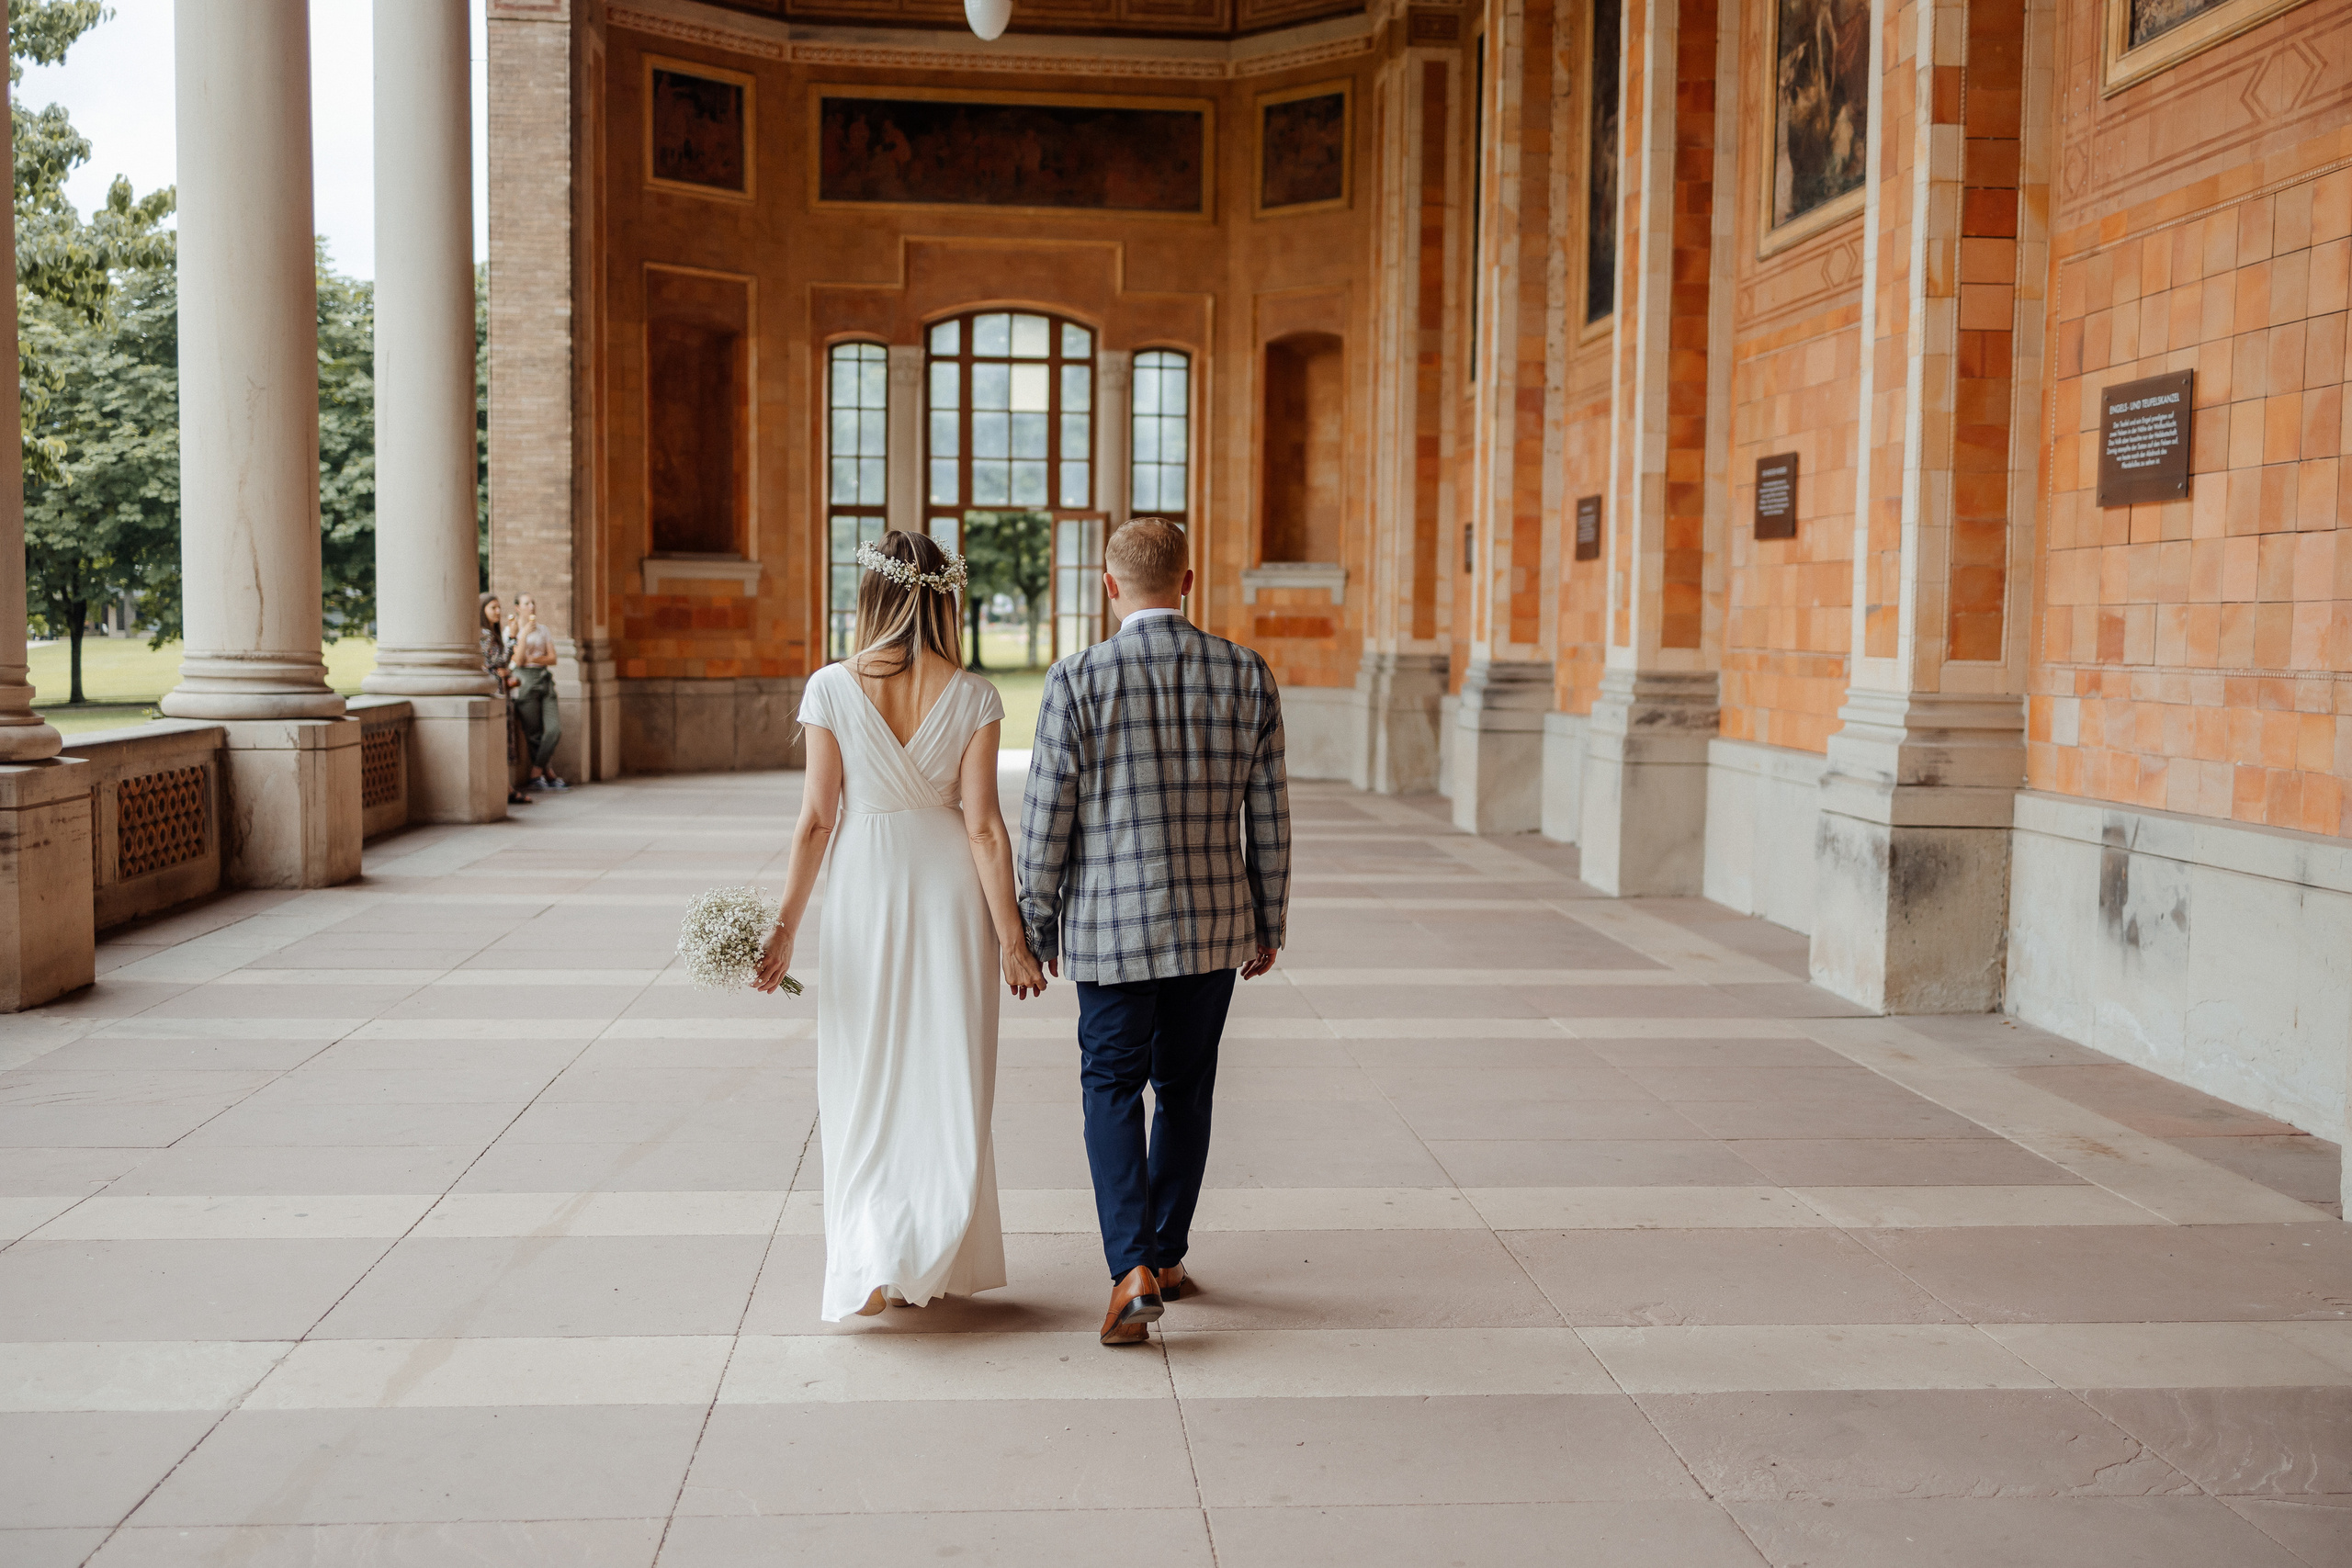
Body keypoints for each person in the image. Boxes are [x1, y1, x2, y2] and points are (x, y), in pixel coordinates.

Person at [752, 529, 1048, 1321]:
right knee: (947, 1066)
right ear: (942, 596)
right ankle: (930, 1244)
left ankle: (872, 1257)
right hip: (951, 891)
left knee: (865, 1070)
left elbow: (817, 820)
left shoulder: (830, 686)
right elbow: (986, 829)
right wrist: (1013, 941)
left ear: (874, 595)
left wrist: (784, 926)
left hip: (866, 886)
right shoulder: (978, 694)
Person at [1017, 517, 1291, 1347]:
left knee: (1110, 1087)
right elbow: (1269, 814)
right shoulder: (1248, 674)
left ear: (1109, 587)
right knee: (1186, 1088)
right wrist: (1267, 915)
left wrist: (1035, 922)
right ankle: (1166, 1254)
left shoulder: (1076, 680)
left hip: (1108, 931)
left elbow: (1044, 821)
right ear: (1188, 581)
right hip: (1212, 927)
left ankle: (1130, 1268)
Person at [511, 594, 568, 792]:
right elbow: (518, 662)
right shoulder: (511, 630)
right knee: (534, 734)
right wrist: (524, 634)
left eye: (533, 602)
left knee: (553, 729)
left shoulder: (543, 630)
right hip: (524, 681)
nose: (532, 606)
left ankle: (536, 771)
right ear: (518, 608)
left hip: (544, 679)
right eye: (527, 603)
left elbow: (553, 659)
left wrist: (535, 658)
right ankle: (548, 774)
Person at [480, 592, 531, 808]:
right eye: (493, 608)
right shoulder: (484, 634)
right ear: (482, 610)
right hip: (495, 692)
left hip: (503, 690)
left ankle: (506, 788)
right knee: (499, 740)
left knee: (505, 740)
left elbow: (501, 665)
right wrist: (513, 638)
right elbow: (497, 661)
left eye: (499, 607)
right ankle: (505, 789)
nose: (498, 612)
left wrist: (506, 674)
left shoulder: (492, 633)